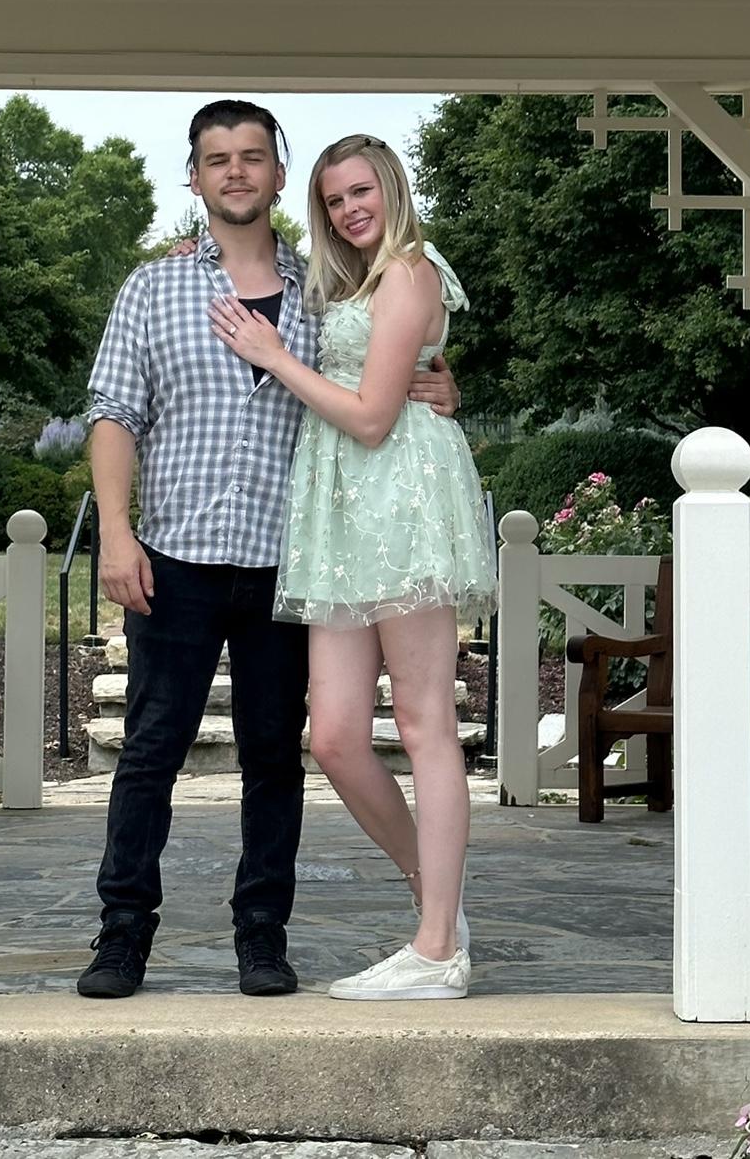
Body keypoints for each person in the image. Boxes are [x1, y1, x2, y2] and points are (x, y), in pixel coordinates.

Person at [77, 101, 458, 1000]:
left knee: (276, 758)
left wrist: (442, 385)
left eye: (253, 157)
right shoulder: (153, 288)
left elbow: (388, 364)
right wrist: (116, 533)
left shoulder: (327, 287)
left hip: (290, 559)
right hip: (174, 554)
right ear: (196, 176)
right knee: (150, 752)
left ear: (280, 176)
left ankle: (263, 938)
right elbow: (113, 412)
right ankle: (122, 936)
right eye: (218, 160)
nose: (237, 172)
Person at [208, 134, 496, 1000]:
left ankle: (435, 948)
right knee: (333, 735)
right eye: (334, 200)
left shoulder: (408, 270)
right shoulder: (354, 279)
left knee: (422, 721)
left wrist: (274, 357)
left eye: (361, 192)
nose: (348, 210)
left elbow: (373, 418)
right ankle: (436, 900)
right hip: (342, 513)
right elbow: (400, 374)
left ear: (392, 188)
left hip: (400, 498)